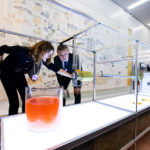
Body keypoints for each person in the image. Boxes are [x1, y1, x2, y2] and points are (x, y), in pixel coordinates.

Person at [0, 40, 71, 115]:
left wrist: (70, 75)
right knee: (14, 102)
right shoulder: (22, 50)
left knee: (27, 99)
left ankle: (26, 117)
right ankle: (12, 121)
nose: (49, 56)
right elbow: (2, 48)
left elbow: (53, 67)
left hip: (19, 74)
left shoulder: (39, 57)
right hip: (6, 74)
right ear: (42, 51)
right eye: (49, 54)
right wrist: (0, 62)